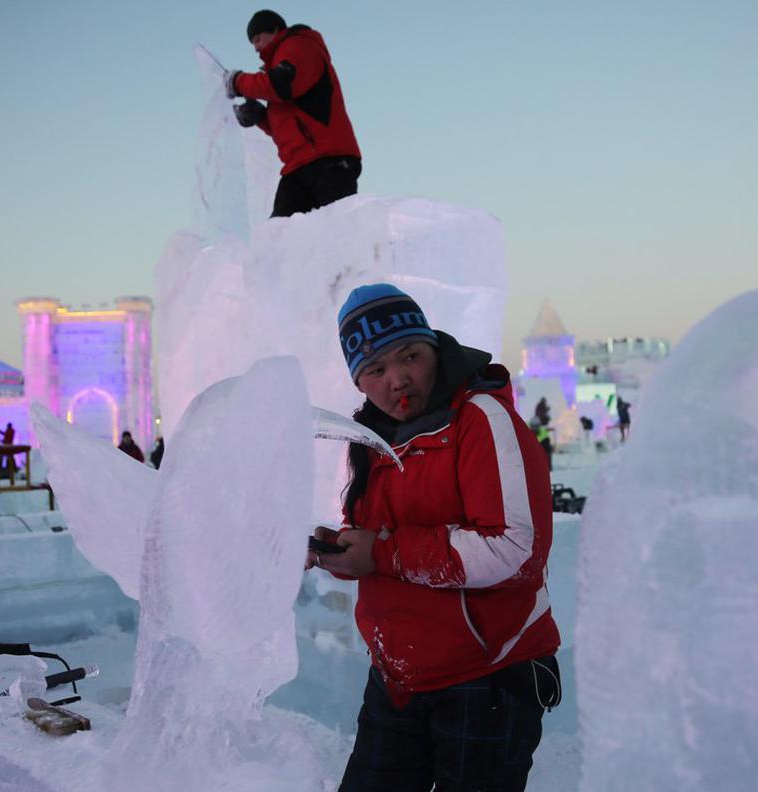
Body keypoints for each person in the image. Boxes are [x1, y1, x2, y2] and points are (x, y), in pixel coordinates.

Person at [311, 284, 561, 792]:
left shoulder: (481, 420)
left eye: (410, 356)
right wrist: (338, 549)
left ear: (434, 349)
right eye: (376, 370)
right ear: (358, 381)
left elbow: (516, 552)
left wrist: (380, 552)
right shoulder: (371, 442)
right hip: (398, 679)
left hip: (486, 677)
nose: (398, 379)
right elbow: (385, 536)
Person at [226, 10, 362, 218]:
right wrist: (260, 117)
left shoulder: (300, 45)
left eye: (258, 39)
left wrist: (238, 82)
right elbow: (289, 126)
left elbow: (282, 83)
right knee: (279, 238)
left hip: (330, 163)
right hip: (298, 169)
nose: (256, 48)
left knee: (338, 235)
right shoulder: (277, 68)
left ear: (274, 30)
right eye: (252, 43)